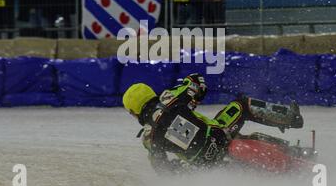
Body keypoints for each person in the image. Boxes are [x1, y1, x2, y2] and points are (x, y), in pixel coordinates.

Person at [122, 74, 304, 174]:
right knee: (242, 105)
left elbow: (162, 169)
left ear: (133, 111)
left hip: (205, 165)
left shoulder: (148, 137)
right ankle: (290, 117)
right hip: (220, 135)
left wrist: (179, 169)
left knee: (186, 166)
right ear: (151, 93)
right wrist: (194, 98)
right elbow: (197, 81)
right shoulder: (169, 98)